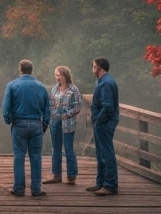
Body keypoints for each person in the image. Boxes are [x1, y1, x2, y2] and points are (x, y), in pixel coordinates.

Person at [2, 59, 50, 197]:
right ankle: (36, 189)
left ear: (20, 70)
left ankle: (19, 189)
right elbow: (47, 108)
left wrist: (8, 120)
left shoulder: (12, 85)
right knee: (36, 157)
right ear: (32, 70)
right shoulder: (41, 87)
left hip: (19, 124)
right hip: (36, 124)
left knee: (19, 156)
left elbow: (6, 106)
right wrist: (45, 124)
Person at [44, 65, 81, 185]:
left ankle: (71, 176)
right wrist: (53, 115)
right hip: (54, 122)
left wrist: (66, 115)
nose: (57, 77)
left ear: (65, 75)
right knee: (56, 149)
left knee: (68, 148)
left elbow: (77, 107)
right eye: (55, 75)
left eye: (58, 75)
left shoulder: (73, 90)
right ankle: (57, 175)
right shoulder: (54, 89)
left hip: (68, 123)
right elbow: (50, 104)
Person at [88, 57, 120, 195]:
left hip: (104, 124)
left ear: (100, 68)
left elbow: (108, 107)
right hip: (101, 123)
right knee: (100, 154)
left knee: (107, 154)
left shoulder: (106, 83)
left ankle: (111, 185)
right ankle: (101, 183)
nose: (92, 69)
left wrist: (98, 121)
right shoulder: (101, 81)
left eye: (94, 66)